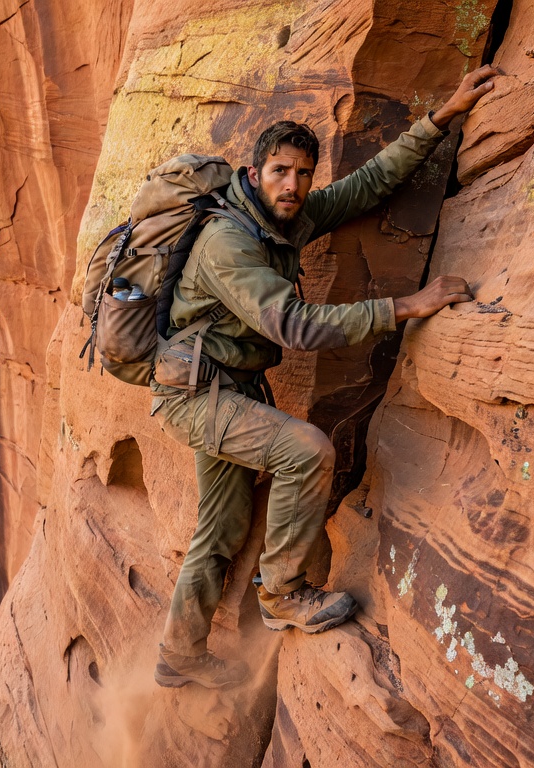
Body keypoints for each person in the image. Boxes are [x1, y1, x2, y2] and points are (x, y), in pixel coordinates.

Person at [151, 65, 500, 689]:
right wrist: (402, 307)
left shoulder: (287, 217)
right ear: (254, 175)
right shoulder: (229, 241)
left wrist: (440, 118)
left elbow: (365, 187)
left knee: (222, 529)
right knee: (307, 450)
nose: (294, 185)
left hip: (224, 388)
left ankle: (178, 657)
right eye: (281, 172)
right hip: (193, 395)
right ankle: (283, 593)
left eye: (304, 174)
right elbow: (294, 327)